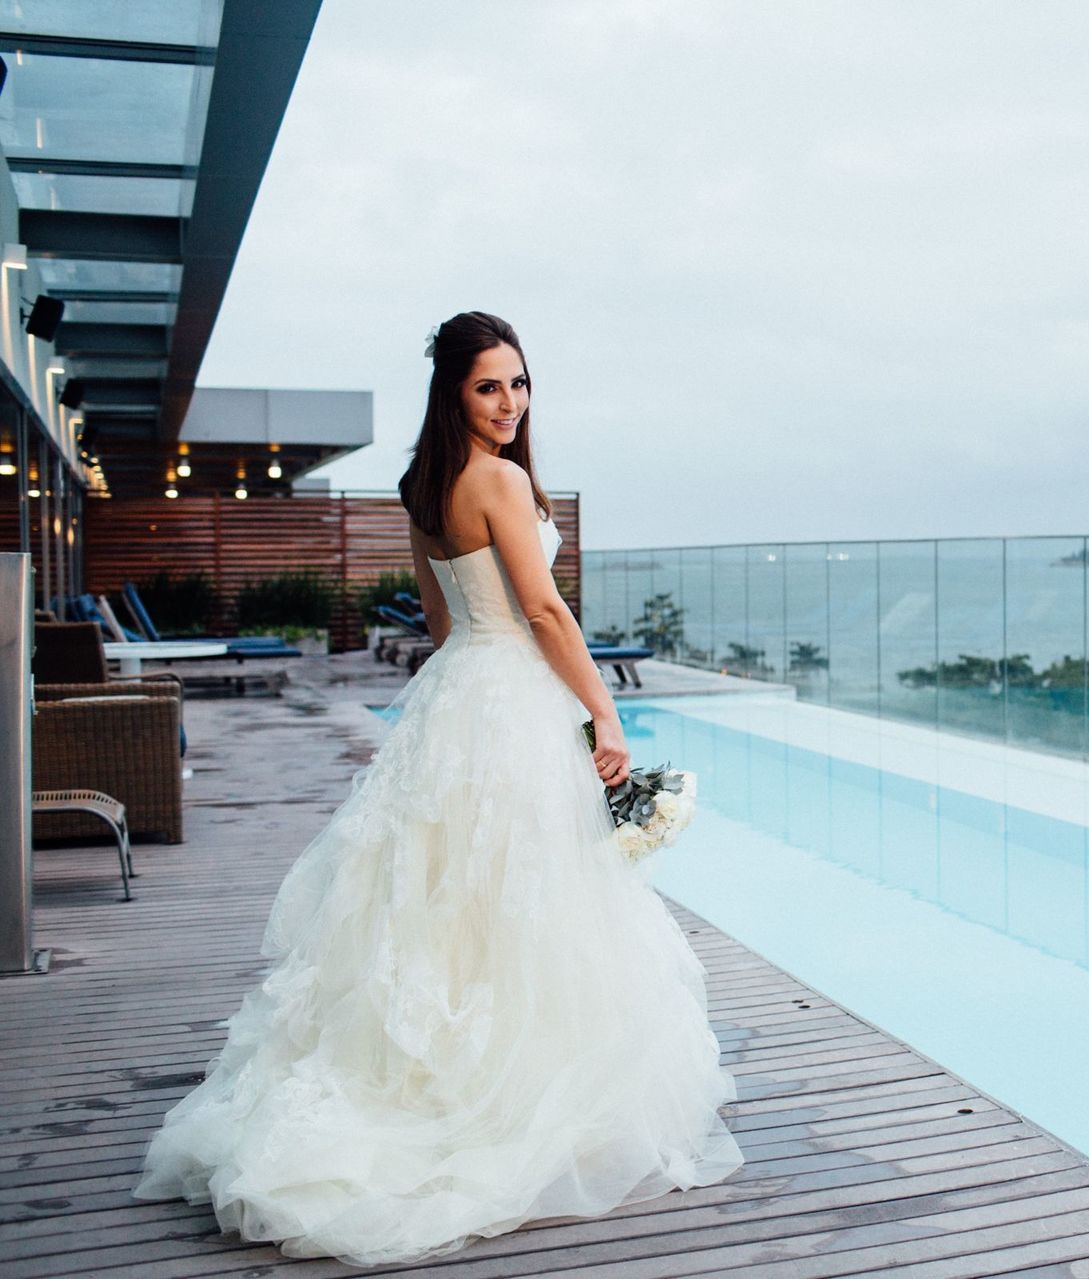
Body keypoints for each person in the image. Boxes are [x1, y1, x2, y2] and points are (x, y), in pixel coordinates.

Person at [129, 311, 745, 1264]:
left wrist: (475, 691)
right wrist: (604, 713)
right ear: (454, 392)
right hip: (511, 693)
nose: (510, 402)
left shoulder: (424, 485)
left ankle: (440, 1066)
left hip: (459, 696)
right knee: (521, 894)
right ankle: (504, 1092)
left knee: (446, 898)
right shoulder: (499, 479)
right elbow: (543, 610)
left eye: (519, 383)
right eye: (488, 386)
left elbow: (440, 618)